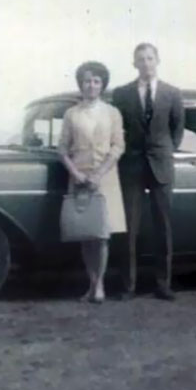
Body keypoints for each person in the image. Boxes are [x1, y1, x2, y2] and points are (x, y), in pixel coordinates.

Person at [112, 43, 185, 301]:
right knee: (129, 227)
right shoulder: (121, 94)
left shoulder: (172, 93)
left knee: (163, 226)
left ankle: (163, 284)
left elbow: (178, 130)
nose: (146, 63)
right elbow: (116, 128)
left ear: (158, 60)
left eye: (150, 58)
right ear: (134, 64)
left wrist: (164, 151)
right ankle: (128, 286)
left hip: (161, 165)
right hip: (131, 165)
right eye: (140, 59)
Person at [58, 61, 127, 303]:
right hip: (79, 176)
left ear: (102, 85)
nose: (91, 85)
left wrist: (99, 174)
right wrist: (77, 174)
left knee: (102, 234)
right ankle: (91, 283)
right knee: (86, 234)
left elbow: (119, 146)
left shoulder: (112, 113)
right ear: (81, 84)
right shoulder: (72, 114)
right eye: (87, 81)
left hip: (105, 177)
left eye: (96, 81)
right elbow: (62, 149)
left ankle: (100, 286)